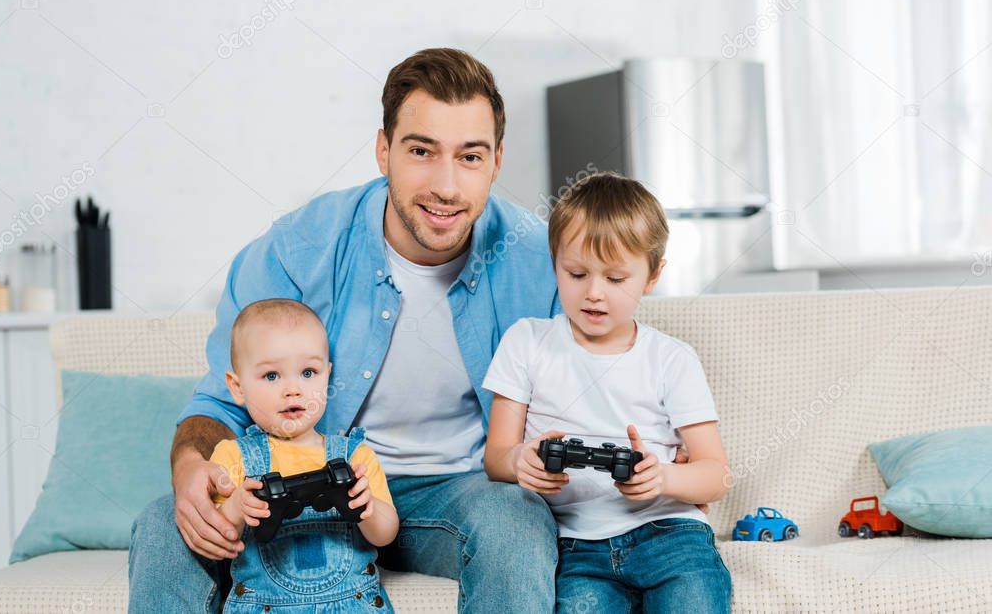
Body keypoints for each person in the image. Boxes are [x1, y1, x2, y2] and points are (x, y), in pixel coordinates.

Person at [129, 48, 566, 613]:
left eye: (470, 156)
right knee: (166, 524)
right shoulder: (296, 250)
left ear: (498, 161)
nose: (447, 186)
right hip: (310, 485)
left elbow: (592, 382)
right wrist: (191, 469)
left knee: (517, 518)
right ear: (383, 150)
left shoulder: (538, 260)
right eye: (421, 151)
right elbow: (221, 402)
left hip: (460, 491)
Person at [482, 172, 733, 613]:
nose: (593, 293)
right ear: (555, 262)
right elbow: (495, 457)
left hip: (670, 533)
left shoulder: (672, 359)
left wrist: (665, 478)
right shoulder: (526, 342)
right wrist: (520, 461)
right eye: (576, 273)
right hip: (578, 547)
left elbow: (716, 475)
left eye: (616, 279)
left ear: (652, 275)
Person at [208, 298, 398, 612]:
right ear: (237, 387)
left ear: (328, 375)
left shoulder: (356, 456)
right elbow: (215, 542)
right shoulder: (233, 457)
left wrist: (368, 507)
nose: (293, 389)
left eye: (308, 372)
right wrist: (236, 508)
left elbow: (385, 534)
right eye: (272, 376)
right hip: (265, 605)